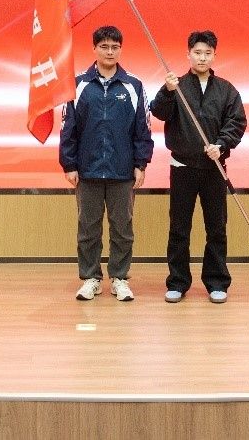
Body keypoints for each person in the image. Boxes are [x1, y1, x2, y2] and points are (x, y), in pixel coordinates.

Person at [149, 30, 246, 304]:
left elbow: (237, 122)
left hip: (214, 168)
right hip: (182, 167)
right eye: (197, 53)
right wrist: (167, 92)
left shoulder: (226, 90)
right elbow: (158, 111)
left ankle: (216, 281)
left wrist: (221, 144)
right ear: (188, 54)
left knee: (216, 228)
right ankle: (178, 282)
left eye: (207, 53)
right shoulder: (176, 85)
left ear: (214, 56)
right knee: (179, 228)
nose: (202, 58)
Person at [59, 26, 153, 301]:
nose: (109, 52)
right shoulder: (78, 84)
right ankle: (91, 278)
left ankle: (119, 278)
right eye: (104, 47)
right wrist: (69, 164)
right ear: (94, 49)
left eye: (114, 47)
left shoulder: (134, 85)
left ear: (120, 50)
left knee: (122, 227)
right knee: (88, 228)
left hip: (122, 171)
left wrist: (141, 164)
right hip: (87, 170)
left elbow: (143, 128)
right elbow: (68, 127)